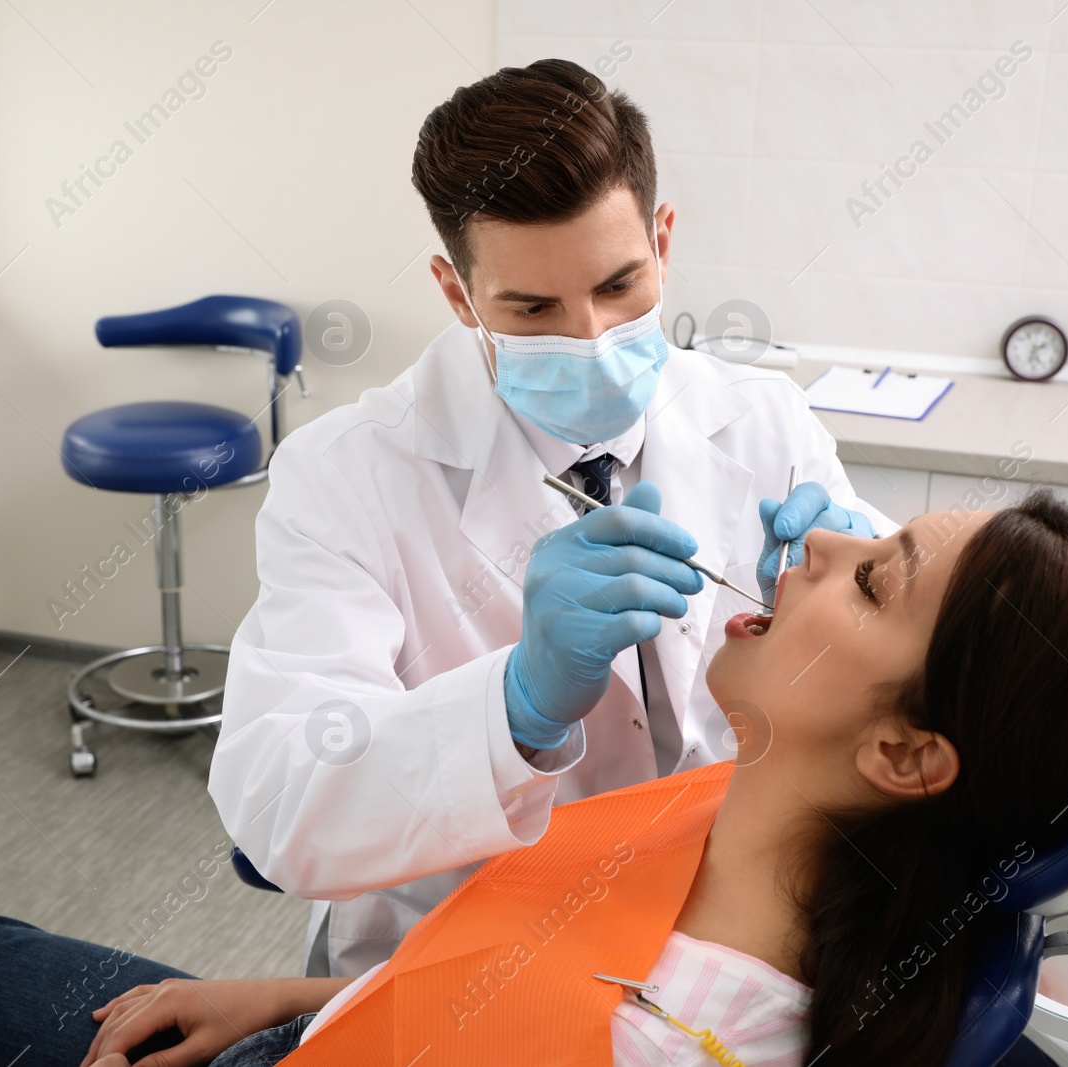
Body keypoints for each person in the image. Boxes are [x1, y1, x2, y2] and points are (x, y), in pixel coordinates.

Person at [0, 490, 1068, 1065]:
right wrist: (298, 995)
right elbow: (518, 968)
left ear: (904, 752)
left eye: (872, 576)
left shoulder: (678, 1038)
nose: (818, 542)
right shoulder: (749, 823)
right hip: (318, 1039)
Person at [208, 56, 891, 983]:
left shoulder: (764, 422)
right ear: (458, 294)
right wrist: (515, 705)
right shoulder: (345, 476)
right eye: (533, 307)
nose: (592, 338)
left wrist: (859, 581)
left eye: (620, 286)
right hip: (468, 964)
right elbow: (277, 807)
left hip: (709, 945)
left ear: (663, 239)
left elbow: (919, 679)